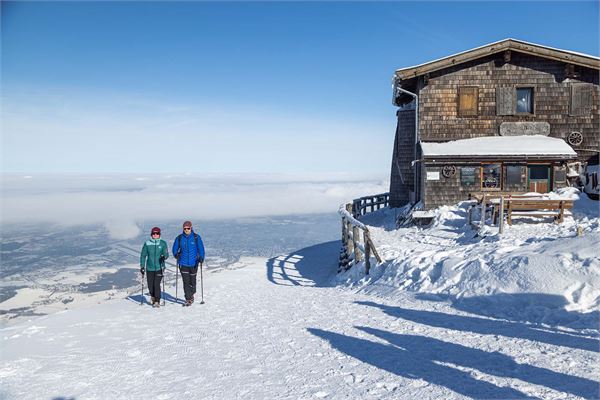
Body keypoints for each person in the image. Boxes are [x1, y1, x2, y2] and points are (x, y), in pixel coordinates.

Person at [172, 220, 205, 306]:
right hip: (183, 263)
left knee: (192, 282)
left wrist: (201, 257)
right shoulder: (179, 238)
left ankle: (192, 293)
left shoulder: (196, 237)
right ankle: (188, 299)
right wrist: (176, 255)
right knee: (185, 282)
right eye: (185, 228)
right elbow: (174, 248)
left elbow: (201, 248)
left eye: (188, 228)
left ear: (191, 228)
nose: (186, 230)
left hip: (194, 263)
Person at [140, 227, 169, 308]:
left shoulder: (163, 243)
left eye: (157, 233)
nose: (155, 235)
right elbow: (143, 255)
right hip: (149, 268)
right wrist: (142, 266)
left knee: (156, 284)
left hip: (160, 267)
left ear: (159, 234)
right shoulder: (147, 243)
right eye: (154, 233)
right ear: (151, 234)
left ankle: (157, 301)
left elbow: (166, 254)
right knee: (150, 285)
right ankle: (152, 296)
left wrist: (164, 256)